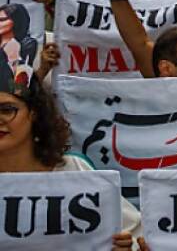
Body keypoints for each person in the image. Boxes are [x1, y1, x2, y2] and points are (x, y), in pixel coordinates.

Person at [0, 65, 139, 249]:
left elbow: (137, 234)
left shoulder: (73, 171)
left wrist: (127, 246)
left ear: (34, 113)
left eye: (7, 109)